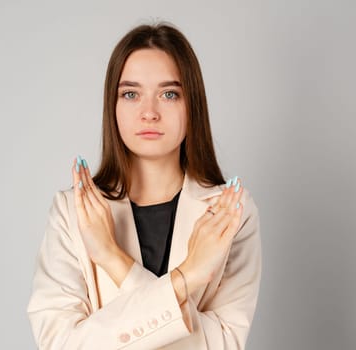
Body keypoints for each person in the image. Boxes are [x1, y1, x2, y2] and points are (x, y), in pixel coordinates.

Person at [27, 22, 262, 349]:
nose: (149, 112)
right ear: (113, 105)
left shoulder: (230, 212)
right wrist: (186, 278)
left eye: (169, 94)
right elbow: (62, 344)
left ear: (191, 104)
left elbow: (222, 344)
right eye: (131, 94)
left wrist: (112, 258)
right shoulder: (71, 212)